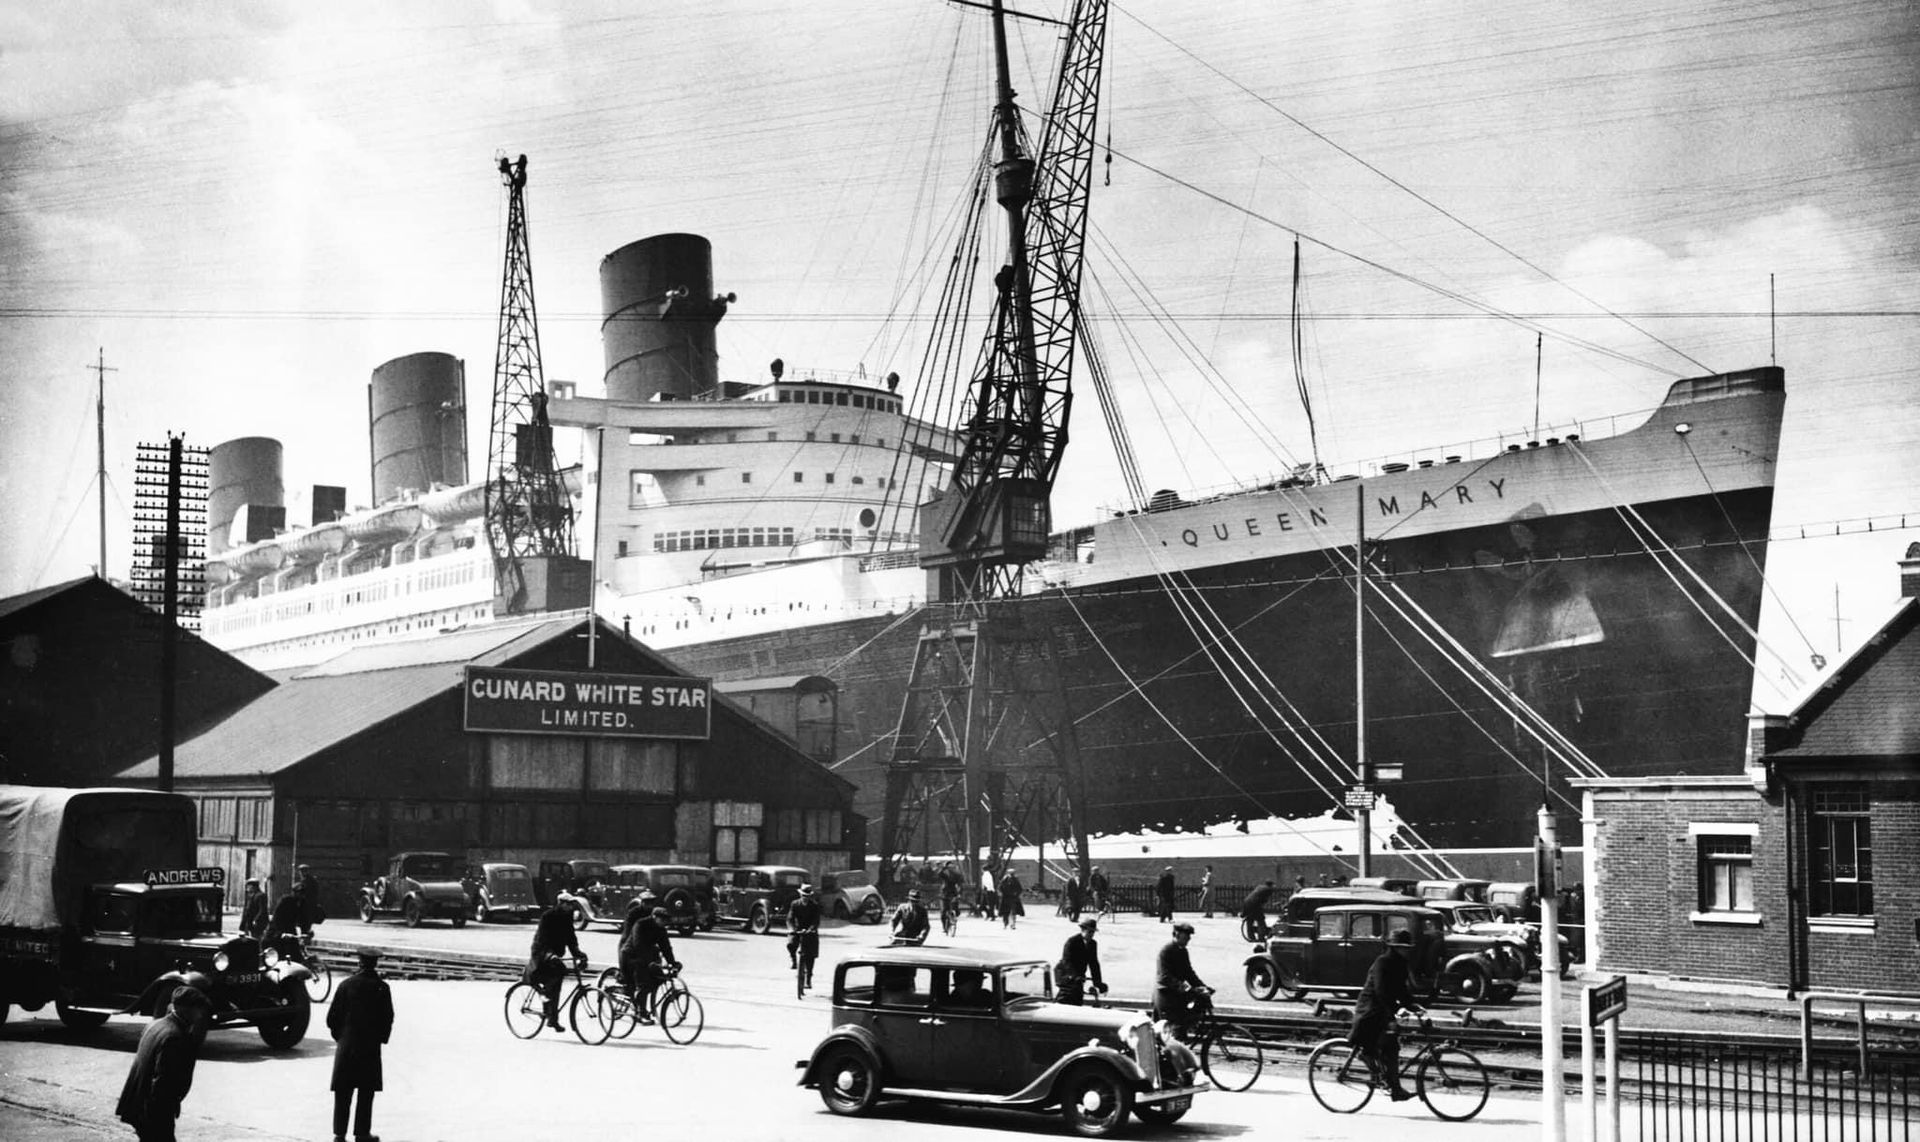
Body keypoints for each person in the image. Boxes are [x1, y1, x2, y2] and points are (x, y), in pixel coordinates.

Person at [117, 984, 211, 1142]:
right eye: (197, 1010)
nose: (200, 1015)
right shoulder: (175, 1037)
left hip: (137, 1104)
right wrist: (159, 1117)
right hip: (154, 1111)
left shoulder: (155, 1025)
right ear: (184, 1009)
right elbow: (162, 1081)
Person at [327, 948, 394, 1142]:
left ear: (359, 962)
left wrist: (341, 1037)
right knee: (366, 1092)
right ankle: (362, 1134)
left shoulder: (345, 985)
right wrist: (379, 1038)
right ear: (376, 964)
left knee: (343, 1092)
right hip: (369, 1047)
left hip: (346, 1046)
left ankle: (339, 1135)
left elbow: (332, 1018)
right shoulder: (382, 987)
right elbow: (388, 1018)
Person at [1351, 928, 1423, 1101]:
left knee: (1392, 1047)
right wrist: (1397, 1009)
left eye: (1407, 947)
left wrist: (1412, 1005)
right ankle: (1371, 1062)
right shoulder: (1382, 963)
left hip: (1384, 1009)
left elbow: (1401, 990)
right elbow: (1381, 991)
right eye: (1403, 947)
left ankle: (1394, 1087)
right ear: (1394, 947)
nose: (1406, 950)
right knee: (1388, 1045)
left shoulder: (1400, 964)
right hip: (1371, 1010)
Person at [525, 898, 585, 1031]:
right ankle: (546, 1003)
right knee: (549, 981)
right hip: (541, 953)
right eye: (568, 904)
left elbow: (571, 939)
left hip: (555, 956)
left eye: (571, 905)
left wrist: (578, 953)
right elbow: (543, 938)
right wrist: (550, 955)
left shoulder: (567, 918)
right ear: (560, 903)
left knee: (556, 984)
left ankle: (552, 1018)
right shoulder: (548, 916)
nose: (570, 907)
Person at [620, 905, 681, 1018]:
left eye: (666, 920)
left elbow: (666, 947)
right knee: (644, 983)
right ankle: (640, 1012)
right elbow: (639, 945)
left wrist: (672, 962)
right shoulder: (640, 924)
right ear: (654, 917)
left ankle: (644, 1004)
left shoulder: (661, 929)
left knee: (659, 979)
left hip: (646, 958)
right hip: (631, 956)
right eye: (662, 919)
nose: (664, 922)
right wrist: (649, 962)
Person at [1152, 921, 1211, 1037]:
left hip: (1177, 994)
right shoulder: (1166, 951)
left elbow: (1189, 973)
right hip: (1165, 995)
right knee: (1174, 1029)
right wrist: (1186, 988)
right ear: (1177, 935)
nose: (1188, 940)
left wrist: (1203, 986)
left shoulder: (1183, 951)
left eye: (1189, 937)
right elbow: (1164, 977)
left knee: (1188, 1018)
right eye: (1186, 937)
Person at [1055, 916, 1106, 1005]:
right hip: (1065, 973)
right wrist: (1074, 976)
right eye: (1089, 932)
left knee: (1078, 997)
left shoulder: (1093, 944)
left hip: (1079, 975)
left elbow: (1094, 964)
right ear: (1083, 930)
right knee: (1067, 995)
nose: (1091, 935)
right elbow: (1067, 961)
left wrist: (1098, 983)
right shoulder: (1072, 942)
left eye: (1093, 932)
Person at [787, 883, 823, 991]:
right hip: (797, 929)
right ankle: (793, 959)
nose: (805, 898)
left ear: (810, 896)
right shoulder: (795, 904)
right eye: (803, 896)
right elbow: (790, 918)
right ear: (800, 895)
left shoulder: (815, 906)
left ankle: (808, 979)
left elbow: (816, 920)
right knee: (790, 943)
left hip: (810, 931)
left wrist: (811, 929)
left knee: (810, 955)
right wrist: (792, 929)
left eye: (807, 896)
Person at [295, 864, 322, 936]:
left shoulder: (307, 881)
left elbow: (304, 893)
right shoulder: (309, 880)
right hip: (309, 905)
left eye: (302, 871)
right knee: (306, 924)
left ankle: (305, 938)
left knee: (304, 924)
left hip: (306, 906)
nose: (301, 873)